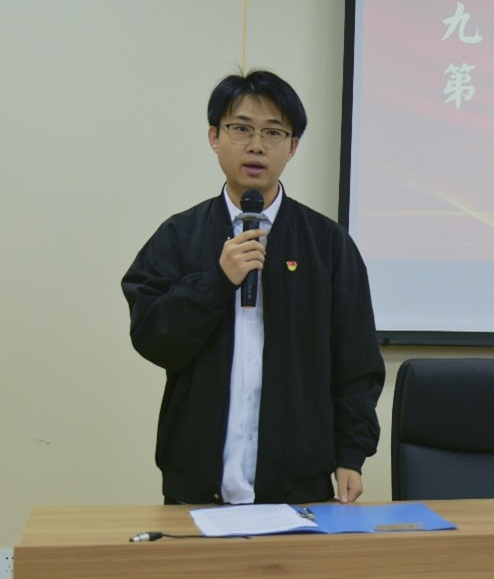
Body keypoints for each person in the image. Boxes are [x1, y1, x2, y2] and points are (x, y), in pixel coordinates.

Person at [122, 69, 385, 506]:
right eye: (241, 129)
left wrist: (350, 454)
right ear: (214, 136)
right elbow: (152, 337)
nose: (256, 145)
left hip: (298, 486)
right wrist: (216, 282)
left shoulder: (328, 245)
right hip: (195, 483)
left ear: (292, 146)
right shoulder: (179, 237)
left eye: (273, 133)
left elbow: (356, 364)